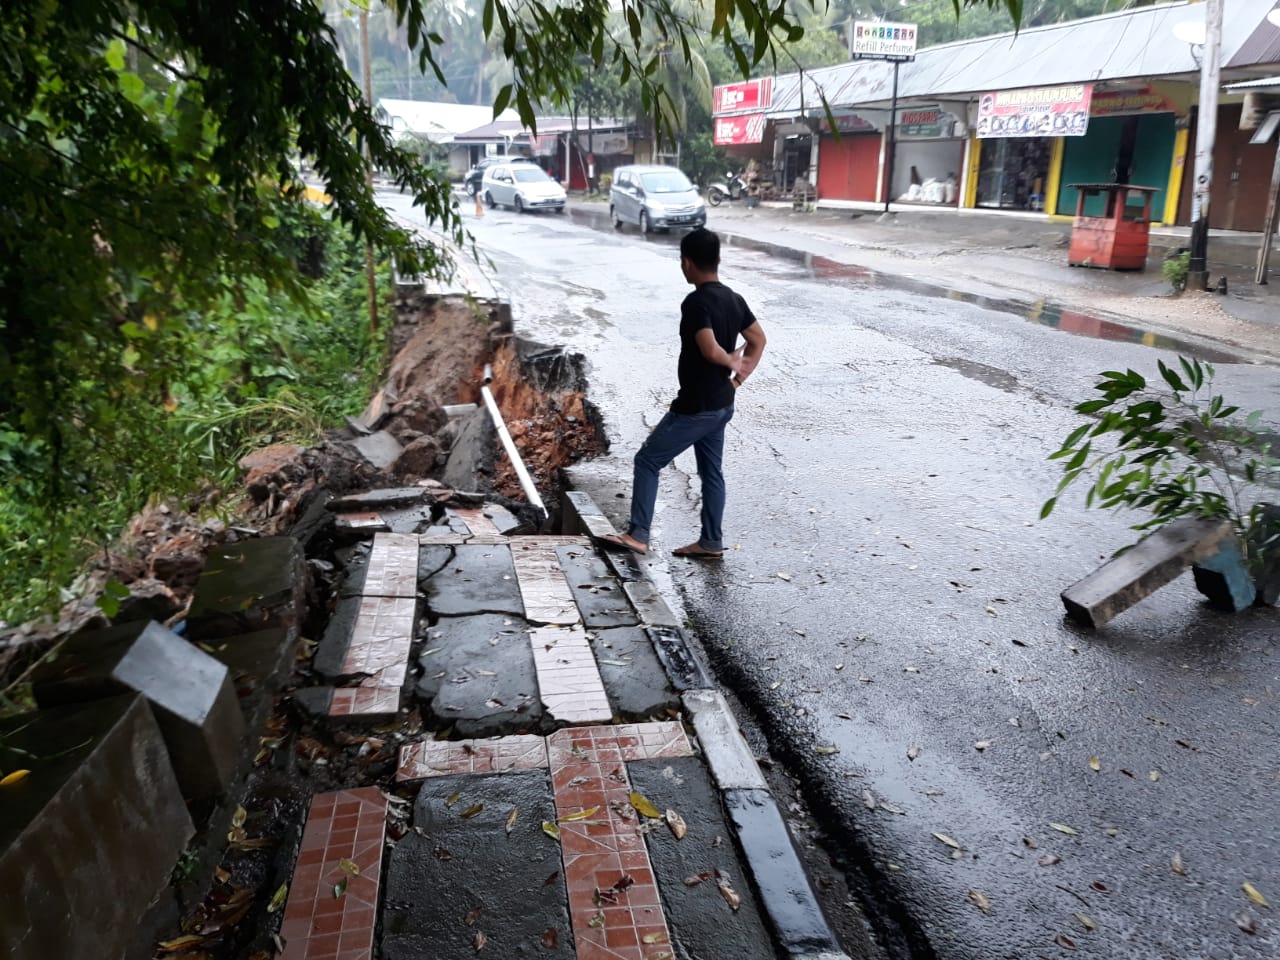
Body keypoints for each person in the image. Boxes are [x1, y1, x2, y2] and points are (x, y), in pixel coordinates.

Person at [598, 228, 766, 560]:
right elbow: (759, 339)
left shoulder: (696, 302)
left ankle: (638, 534)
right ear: (716, 260)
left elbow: (708, 348)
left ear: (687, 263)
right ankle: (711, 542)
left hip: (696, 407)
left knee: (647, 460)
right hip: (722, 403)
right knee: (711, 472)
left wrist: (729, 359)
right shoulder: (734, 298)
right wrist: (736, 379)